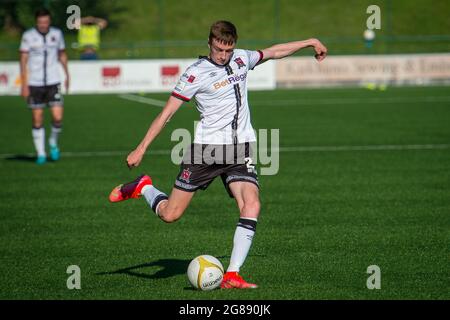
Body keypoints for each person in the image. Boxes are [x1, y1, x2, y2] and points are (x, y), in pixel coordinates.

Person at [109, 20, 327, 288]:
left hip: (240, 148)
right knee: (170, 215)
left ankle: (233, 274)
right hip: (207, 152)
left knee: (252, 204)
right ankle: (144, 187)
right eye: (218, 50)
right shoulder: (195, 73)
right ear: (209, 43)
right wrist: (141, 147)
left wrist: (309, 41)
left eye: (228, 50)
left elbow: (273, 52)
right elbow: (166, 114)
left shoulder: (241, 58)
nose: (223, 56)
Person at [19, 8, 70, 164]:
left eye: (46, 22)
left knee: (57, 116)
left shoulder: (57, 34)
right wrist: (24, 83)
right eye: (41, 22)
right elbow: (23, 60)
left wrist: (68, 74)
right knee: (37, 118)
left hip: (53, 82)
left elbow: (62, 55)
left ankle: (53, 143)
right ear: (36, 22)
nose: (43, 24)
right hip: (35, 83)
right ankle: (41, 153)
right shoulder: (28, 36)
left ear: (50, 21)